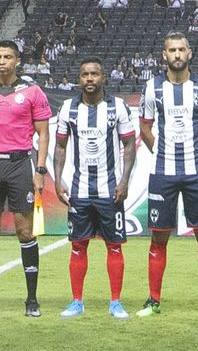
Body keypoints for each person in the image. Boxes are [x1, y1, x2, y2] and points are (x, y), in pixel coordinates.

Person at [136, 32, 198, 318]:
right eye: (171, 50)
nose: (176, 55)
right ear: (164, 55)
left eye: (181, 50)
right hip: (162, 172)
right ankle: (153, 300)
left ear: (189, 54)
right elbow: (145, 129)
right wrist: (160, 153)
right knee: (159, 238)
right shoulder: (152, 88)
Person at [53, 58, 138, 319]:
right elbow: (60, 147)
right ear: (79, 79)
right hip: (79, 191)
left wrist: (124, 181)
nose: (89, 79)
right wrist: (58, 180)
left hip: (110, 190)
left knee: (114, 246)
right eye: (85, 75)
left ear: (103, 77)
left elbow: (129, 146)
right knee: (78, 246)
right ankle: (77, 301)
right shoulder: (68, 108)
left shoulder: (118, 107)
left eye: (94, 74)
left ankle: (116, 302)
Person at [0, 39, 52, 317]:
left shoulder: (32, 91)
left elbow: (43, 133)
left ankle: (31, 299)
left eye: (7, 56)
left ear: (17, 60)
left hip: (20, 165)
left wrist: (40, 170)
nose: (2, 61)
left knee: (24, 232)